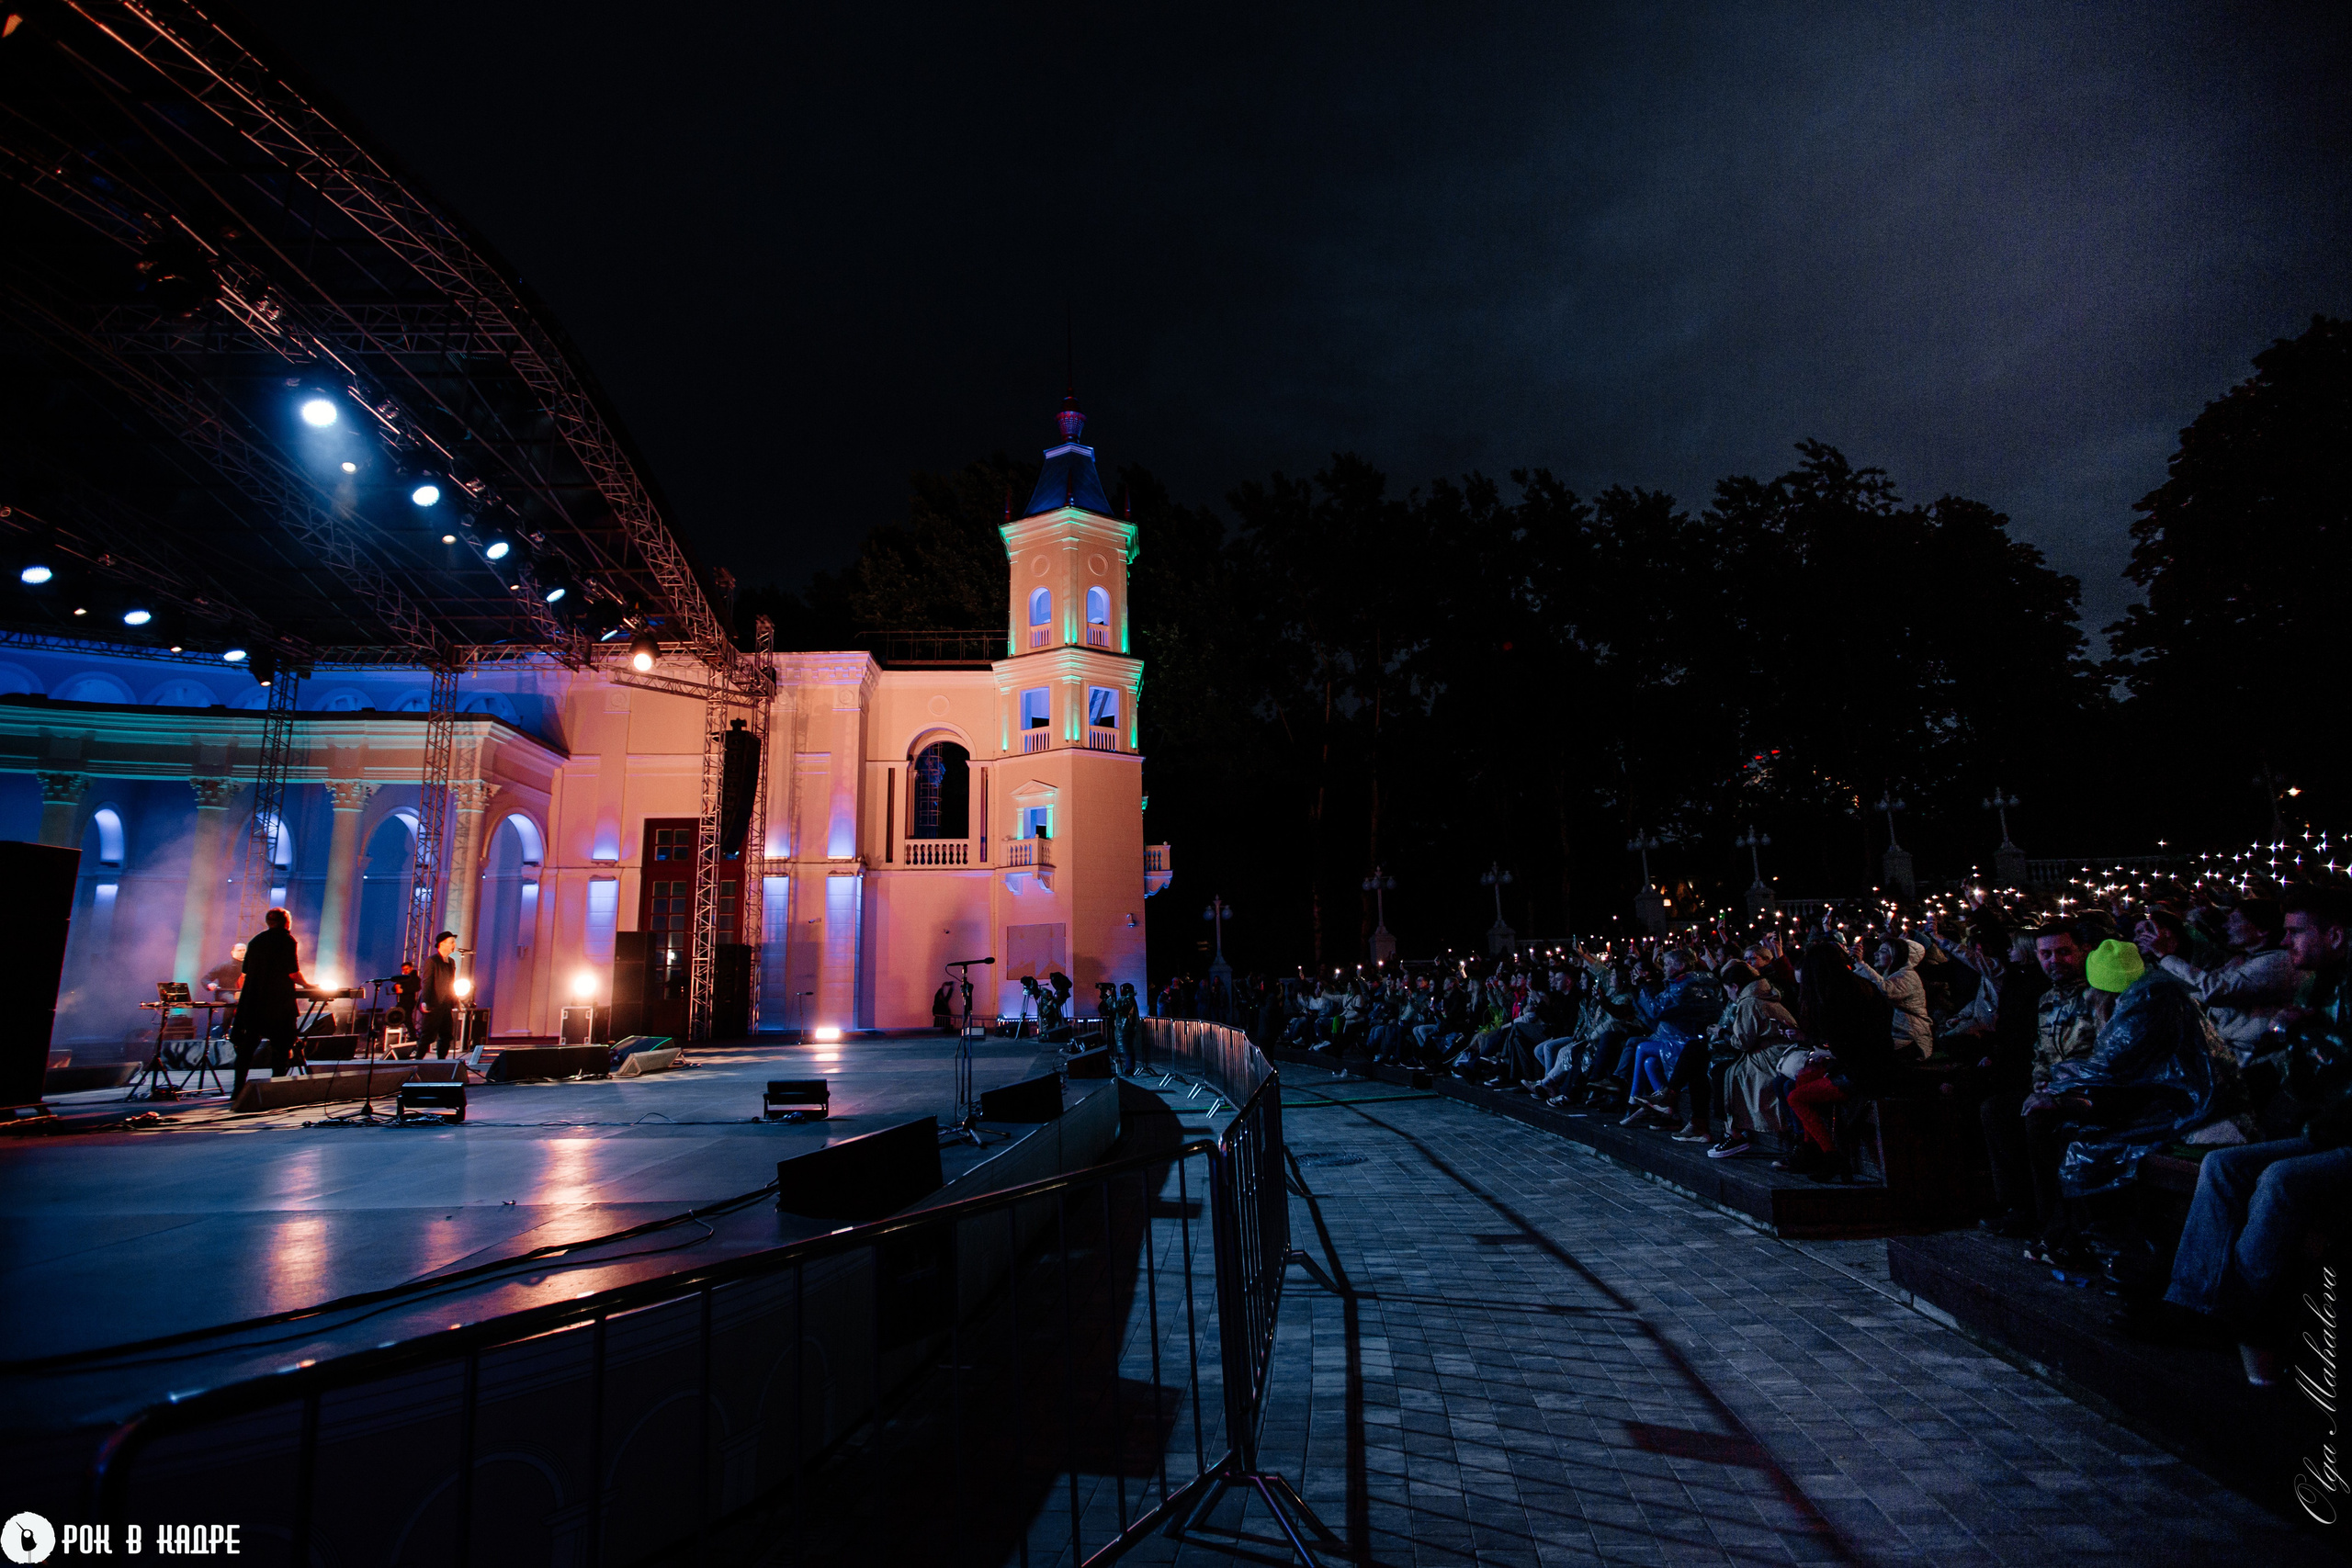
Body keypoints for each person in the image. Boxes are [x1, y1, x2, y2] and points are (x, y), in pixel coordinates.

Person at [2159, 883, 2352, 1384]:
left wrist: (2315, 1035)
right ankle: (2194, 1306)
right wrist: (2290, 1043)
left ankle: (2242, 1315)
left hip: (2343, 1136)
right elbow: (2308, 1084)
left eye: (2296, 933)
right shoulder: (2318, 985)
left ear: (2334, 934)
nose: (2289, 945)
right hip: (2328, 1129)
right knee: (2222, 1164)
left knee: (2280, 1180)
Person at [1777, 940, 1895, 1179]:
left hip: (1862, 1072)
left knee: (1796, 1097)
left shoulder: (1837, 997)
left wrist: (1821, 1050)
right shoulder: (1859, 986)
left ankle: (1832, 1155)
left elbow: (1845, 1045)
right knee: (1803, 1077)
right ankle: (1813, 1150)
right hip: (1869, 1062)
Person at [2143, 896, 2300, 1065]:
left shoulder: (2275, 963)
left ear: (2262, 930)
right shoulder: (2246, 958)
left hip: (2250, 1060)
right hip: (2230, 1051)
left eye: (2235, 921)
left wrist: (2165, 956)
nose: (2227, 926)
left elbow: (2213, 991)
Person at [229, 908, 311, 1097]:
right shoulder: (287, 940)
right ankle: (275, 1090)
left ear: (268, 922)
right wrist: (308, 985)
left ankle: (238, 1090)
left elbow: (245, 974)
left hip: (253, 1004)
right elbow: (293, 973)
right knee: (282, 1048)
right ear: (287, 922)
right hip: (278, 1004)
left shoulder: (256, 940)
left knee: (246, 1049)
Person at [416, 931, 461, 1060]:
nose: (454, 945)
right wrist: (425, 1001)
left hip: (446, 1004)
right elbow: (427, 982)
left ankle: (441, 1061)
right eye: (452, 942)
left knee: (446, 1035)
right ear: (442, 944)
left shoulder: (451, 962)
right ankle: (417, 1060)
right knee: (428, 1035)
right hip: (434, 1004)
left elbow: (451, 982)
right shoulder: (432, 961)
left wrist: (454, 999)